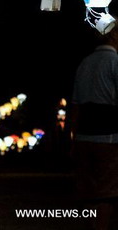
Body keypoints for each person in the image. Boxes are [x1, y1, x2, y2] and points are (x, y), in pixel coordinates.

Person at [71, 25, 118, 230]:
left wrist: (72, 138)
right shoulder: (114, 61)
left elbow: (75, 104)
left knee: (89, 191)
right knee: (107, 192)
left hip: (83, 135)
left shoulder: (85, 62)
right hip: (108, 136)